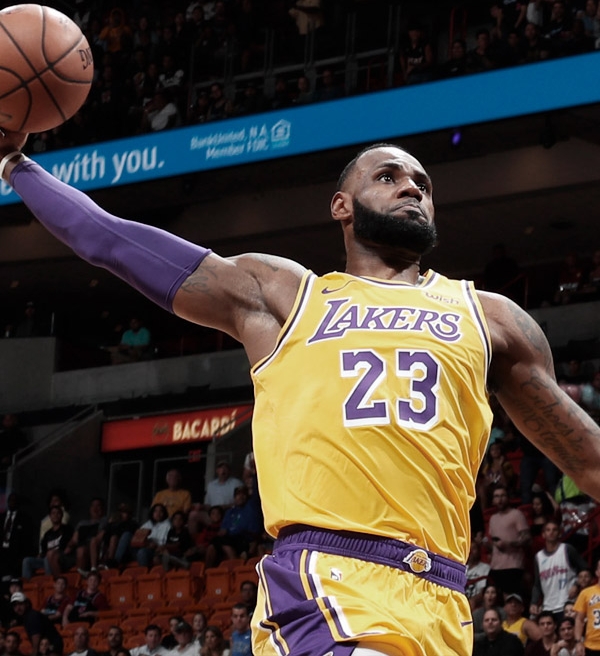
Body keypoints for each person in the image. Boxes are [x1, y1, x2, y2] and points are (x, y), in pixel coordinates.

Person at [2, 141, 600, 656]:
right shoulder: (287, 297)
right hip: (326, 579)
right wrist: (14, 164)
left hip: (442, 598)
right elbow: (112, 240)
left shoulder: (492, 319)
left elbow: (588, 460)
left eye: (422, 183)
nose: (411, 188)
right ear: (342, 206)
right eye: (387, 176)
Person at [529, 520, 587, 623]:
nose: (551, 532)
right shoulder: (538, 557)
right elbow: (537, 584)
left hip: (568, 605)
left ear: (559, 533)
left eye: (554, 530)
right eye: (548, 530)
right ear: (543, 534)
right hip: (548, 607)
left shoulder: (567, 549)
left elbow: (585, 569)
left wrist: (577, 585)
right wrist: (533, 602)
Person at [486, 485, 531, 598]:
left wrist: (509, 544)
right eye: (497, 496)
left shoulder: (516, 514)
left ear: (508, 497)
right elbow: (492, 543)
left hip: (513, 566)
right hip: (495, 566)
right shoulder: (493, 518)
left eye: (502, 496)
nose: (500, 499)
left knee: (511, 600)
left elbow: (527, 538)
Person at [22, 505, 74, 579]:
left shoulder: (67, 529)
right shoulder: (47, 534)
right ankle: (25, 583)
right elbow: (43, 551)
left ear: (62, 515)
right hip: (46, 559)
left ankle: (48, 581)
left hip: (60, 558)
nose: (55, 515)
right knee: (27, 561)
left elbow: (69, 546)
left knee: (48, 557)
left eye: (58, 513)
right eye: (53, 513)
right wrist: (40, 555)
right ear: (50, 516)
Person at [573, 559, 600, 653]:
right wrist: (578, 642)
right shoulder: (585, 593)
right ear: (597, 572)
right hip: (592, 645)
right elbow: (579, 619)